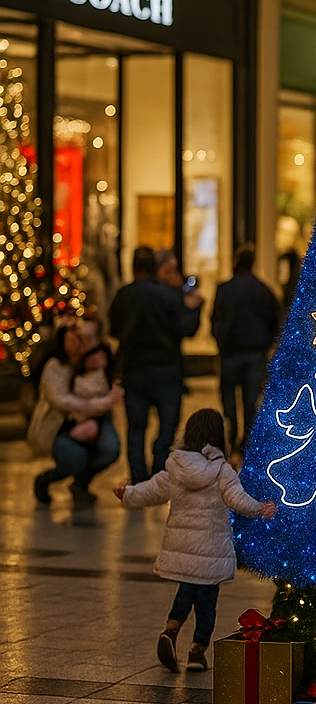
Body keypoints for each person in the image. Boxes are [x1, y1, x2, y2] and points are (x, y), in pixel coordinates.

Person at [114, 407, 276, 673]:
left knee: (186, 589)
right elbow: (236, 500)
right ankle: (197, 652)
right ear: (218, 436)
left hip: (183, 545)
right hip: (211, 548)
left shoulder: (176, 465)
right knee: (207, 601)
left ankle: (171, 630)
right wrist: (260, 508)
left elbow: (153, 490)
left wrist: (128, 494)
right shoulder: (221, 469)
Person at [108, 246, 202, 484]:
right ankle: (159, 470)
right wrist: (195, 309)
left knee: (135, 428)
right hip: (166, 370)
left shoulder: (123, 295)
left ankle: (138, 478)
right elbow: (185, 329)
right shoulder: (169, 296)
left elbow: (114, 330)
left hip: (134, 369)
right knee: (167, 426)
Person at [28, 320, 123, 507]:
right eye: (72, 340)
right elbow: (60, 400)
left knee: (110, 449)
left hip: (95, 420)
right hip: (60, 425)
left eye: (80, 340)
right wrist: (94, 405)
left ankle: (80, 485)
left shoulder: (93, 359)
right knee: (75, 458)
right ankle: (47, 479)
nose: (77, 345)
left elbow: (108, 387)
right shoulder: (55, 366)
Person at [211, 243, 279, 454]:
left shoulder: (224, 289)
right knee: (250, 400)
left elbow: (215, 319)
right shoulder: (264, 290)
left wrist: (221, 341)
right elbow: (275, 322)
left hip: (231, 353)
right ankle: (246, 441)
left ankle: (231, 435)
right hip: (255, 353)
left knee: (229, 399)